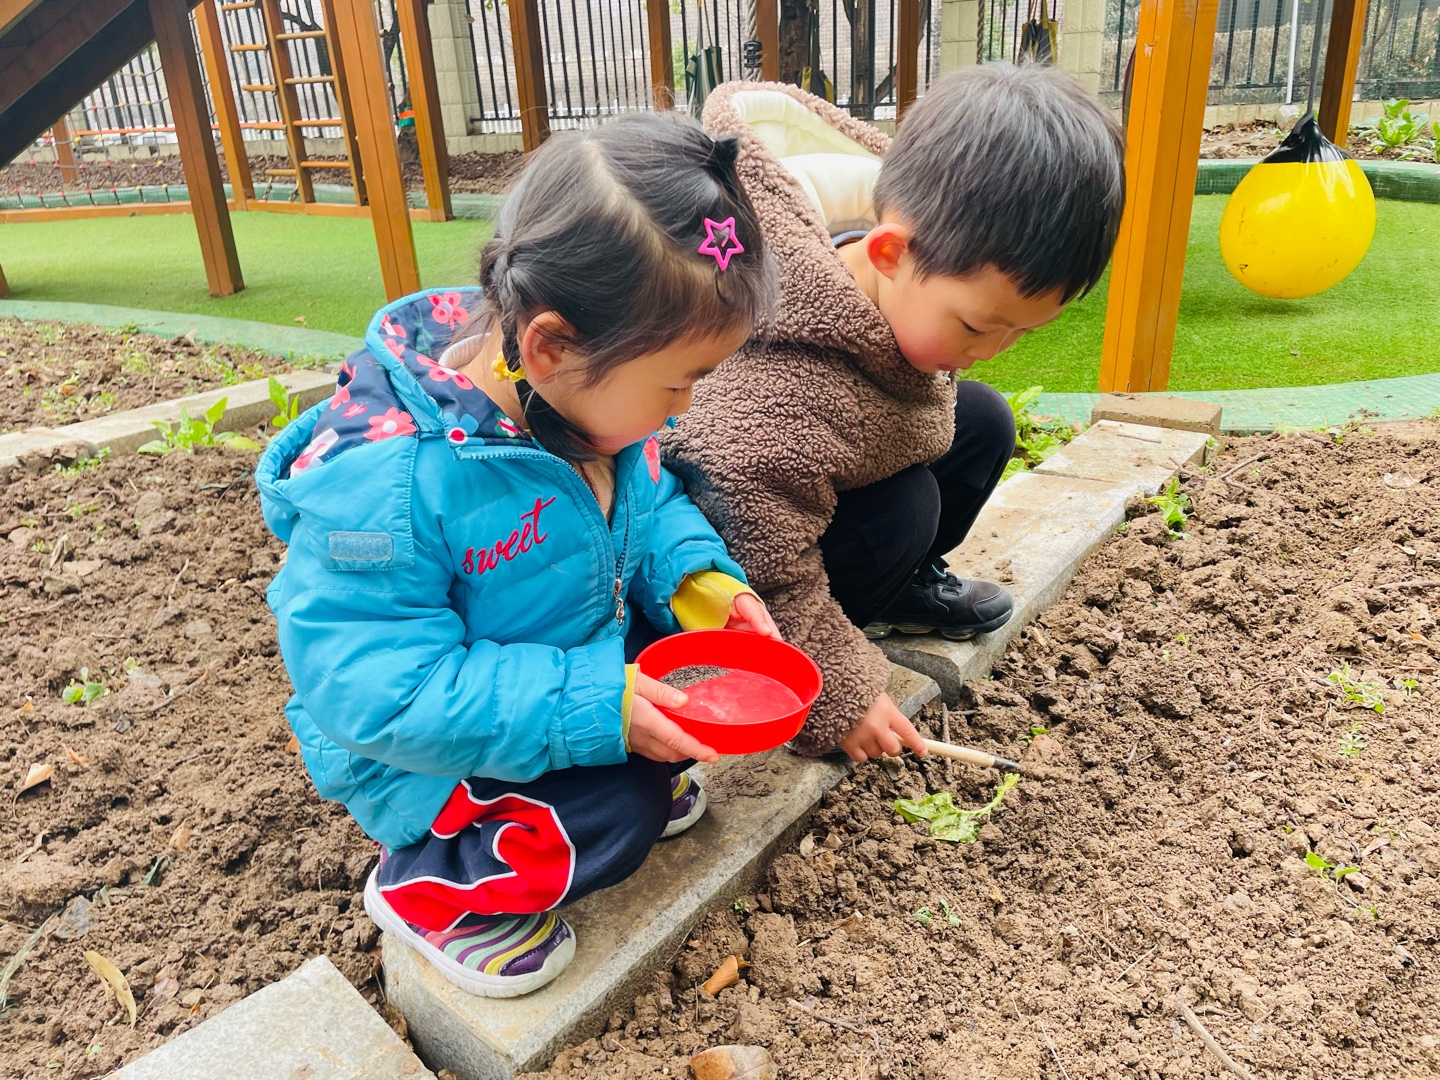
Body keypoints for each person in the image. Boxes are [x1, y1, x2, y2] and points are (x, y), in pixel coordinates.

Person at [256, 113, 779, 999]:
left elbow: (648, 508)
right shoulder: (393, 484)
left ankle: (609, 759)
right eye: (677, 382)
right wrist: (595, 707)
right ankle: (433, 888)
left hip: (552, 671)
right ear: (551, 345)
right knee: (621, 813)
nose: (685, 409)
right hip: (427, 759)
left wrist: (696, 581)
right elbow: (383, 691)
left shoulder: (585, 403)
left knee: (694, 681)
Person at [663, 63, 1126, 764]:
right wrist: (836, 691)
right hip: (738, 558)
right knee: (906, 509)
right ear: (889, 253)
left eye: (1020, 332)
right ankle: (830, 635)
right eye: (977, 327)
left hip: (824, 480)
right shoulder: (780, 388)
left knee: (984, 419)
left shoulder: (902, 281)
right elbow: (756, 552)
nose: (991, 350)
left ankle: (895, 589)